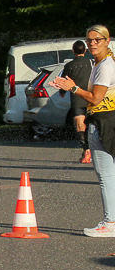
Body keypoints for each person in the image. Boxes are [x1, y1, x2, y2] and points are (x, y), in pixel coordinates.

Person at [50, 25, 115, 236]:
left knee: (106, 175)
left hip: (104, 122)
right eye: (89, 40)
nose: (93, 43)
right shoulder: (101, 63)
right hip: (105, 119)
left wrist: (73, 88)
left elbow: (96, 98)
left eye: (98, 39)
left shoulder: (105, 65)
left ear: (107, 41)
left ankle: (110, 223)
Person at [60, 39, 93, 163]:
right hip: (90, 96)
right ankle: (94, 150)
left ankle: (86, 150)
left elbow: (63, 82)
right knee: (92, 125)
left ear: (73, 51)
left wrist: (62, 92)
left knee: (80, 126)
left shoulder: (69, 66)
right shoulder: (91, 63)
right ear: (85, 50)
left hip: (77, 99)